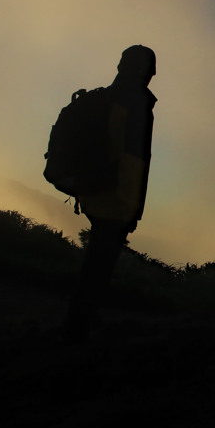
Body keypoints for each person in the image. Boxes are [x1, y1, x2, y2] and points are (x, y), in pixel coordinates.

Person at [62, 45, 156, 343]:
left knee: (95, 258)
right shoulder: (135, 102)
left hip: (93, 187)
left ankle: (81, 318)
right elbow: (132, 159)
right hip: (114, 196)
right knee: (100, 263)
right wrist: (130, 209)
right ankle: (77, 327)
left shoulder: (105, 97)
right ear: (147, 71)